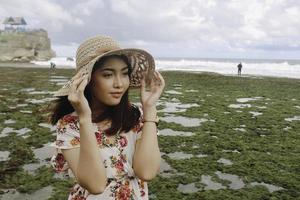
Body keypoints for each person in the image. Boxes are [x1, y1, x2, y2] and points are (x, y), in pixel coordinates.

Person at [47, 35, 164, 199]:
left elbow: (147, 172)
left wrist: (150, 109)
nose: (120, 84)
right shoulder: (70, 124)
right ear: (87, 80)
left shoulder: (136, 116)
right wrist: (85, 119)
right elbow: (95, 185)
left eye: (124, 74)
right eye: (108, 75)